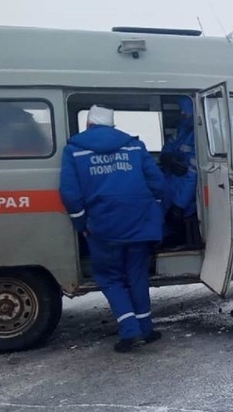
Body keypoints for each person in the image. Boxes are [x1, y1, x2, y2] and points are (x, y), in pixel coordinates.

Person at [59, 105, 165, 353]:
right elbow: (157, 183)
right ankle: (146, 329)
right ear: (112, 126)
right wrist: (155, 211)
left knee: (110, 277)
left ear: (89, 124)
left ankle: (130, 331)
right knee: (137, 276)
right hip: (139, 224)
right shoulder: (133, 146)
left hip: (103, 227)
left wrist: (81, 224)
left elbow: (71, 194)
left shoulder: (74, 150)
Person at [160, 96, 198, 249]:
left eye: (185, 110)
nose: (182, 113)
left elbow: (194, 173)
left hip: (186, 194)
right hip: (171, 186)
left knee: (179, 225)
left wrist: (179, 205)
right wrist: (167, 158)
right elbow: (168, 148)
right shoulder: (182, 129)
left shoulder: (202, 134)